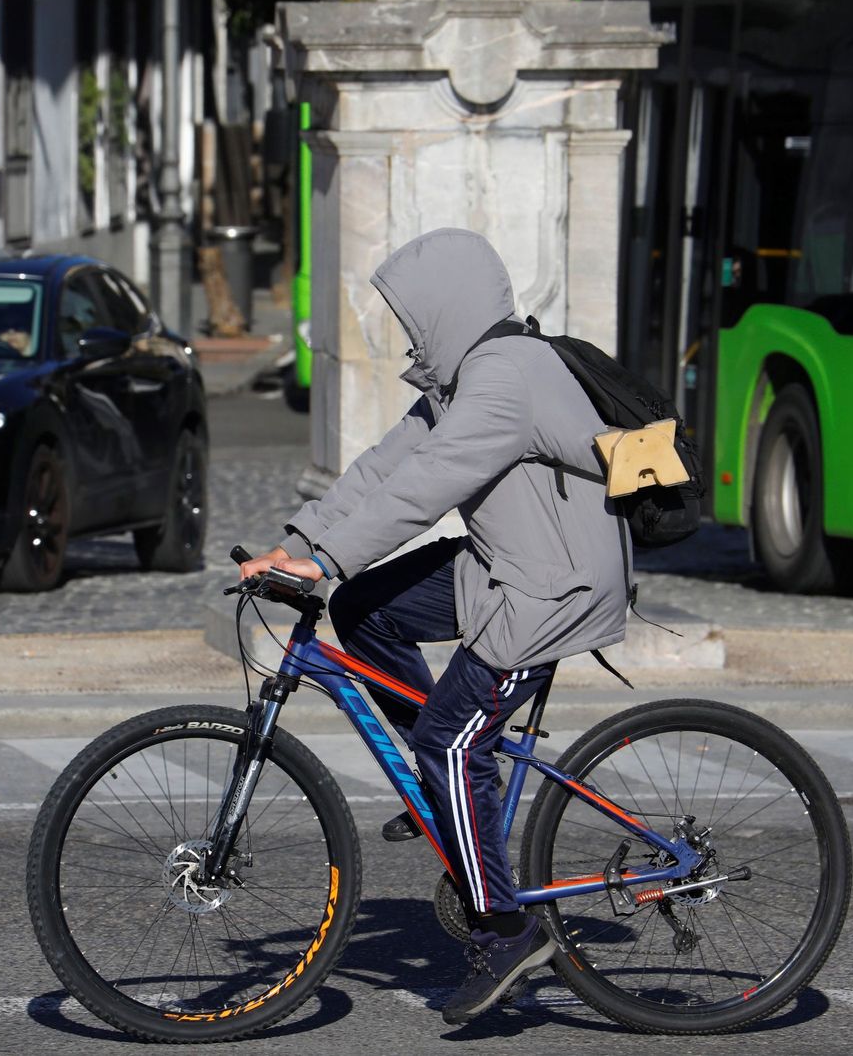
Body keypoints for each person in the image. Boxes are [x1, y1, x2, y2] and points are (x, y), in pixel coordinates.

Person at [238, 228, 629, 1026]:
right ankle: (445, 795)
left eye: (414, 317)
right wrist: (302, 543)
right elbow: (385, 466)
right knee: (361, 610)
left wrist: (331, 556)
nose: (409, 334)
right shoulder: (463, 379)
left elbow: (427, 485)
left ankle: (507, 929)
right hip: (503, 567)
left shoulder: (507, 378)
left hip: (551, 591)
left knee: (450, 736)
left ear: (449, 306)